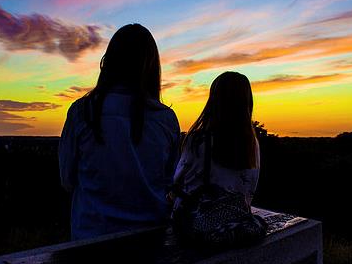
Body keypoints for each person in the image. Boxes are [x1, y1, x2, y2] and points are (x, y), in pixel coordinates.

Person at [59, 23, 180, 240]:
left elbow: (67, 180)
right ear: (151, 67)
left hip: (90, 239)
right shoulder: (166, 119)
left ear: (108, 62)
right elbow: (170, 182)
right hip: (151, 240)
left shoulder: (82, 112)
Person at [172, 71, 260, 211]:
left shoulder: (199, 140)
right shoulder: (252, 143)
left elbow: (177, 180)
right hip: (234, 220)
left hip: (197, 221)